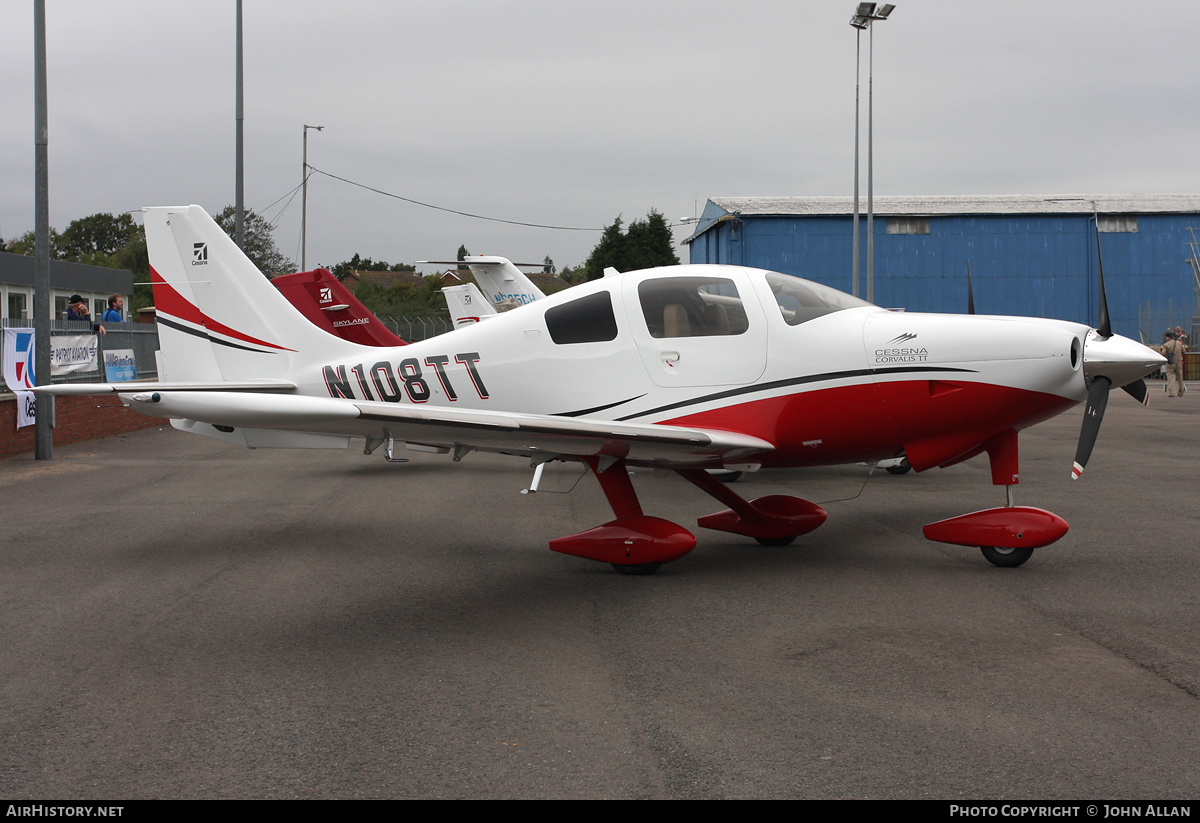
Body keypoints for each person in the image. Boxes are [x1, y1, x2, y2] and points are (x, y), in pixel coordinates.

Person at [1163, 331, 1186, 397]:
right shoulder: (1179, 343)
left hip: (1170, 363)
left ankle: (1172, 393)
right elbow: (1184, 351)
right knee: (1180, 378)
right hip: (1179, 362)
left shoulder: (1166, 345)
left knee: (1171, 377)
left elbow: (1163, 353)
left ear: (1168, 337)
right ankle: (1181, 392)